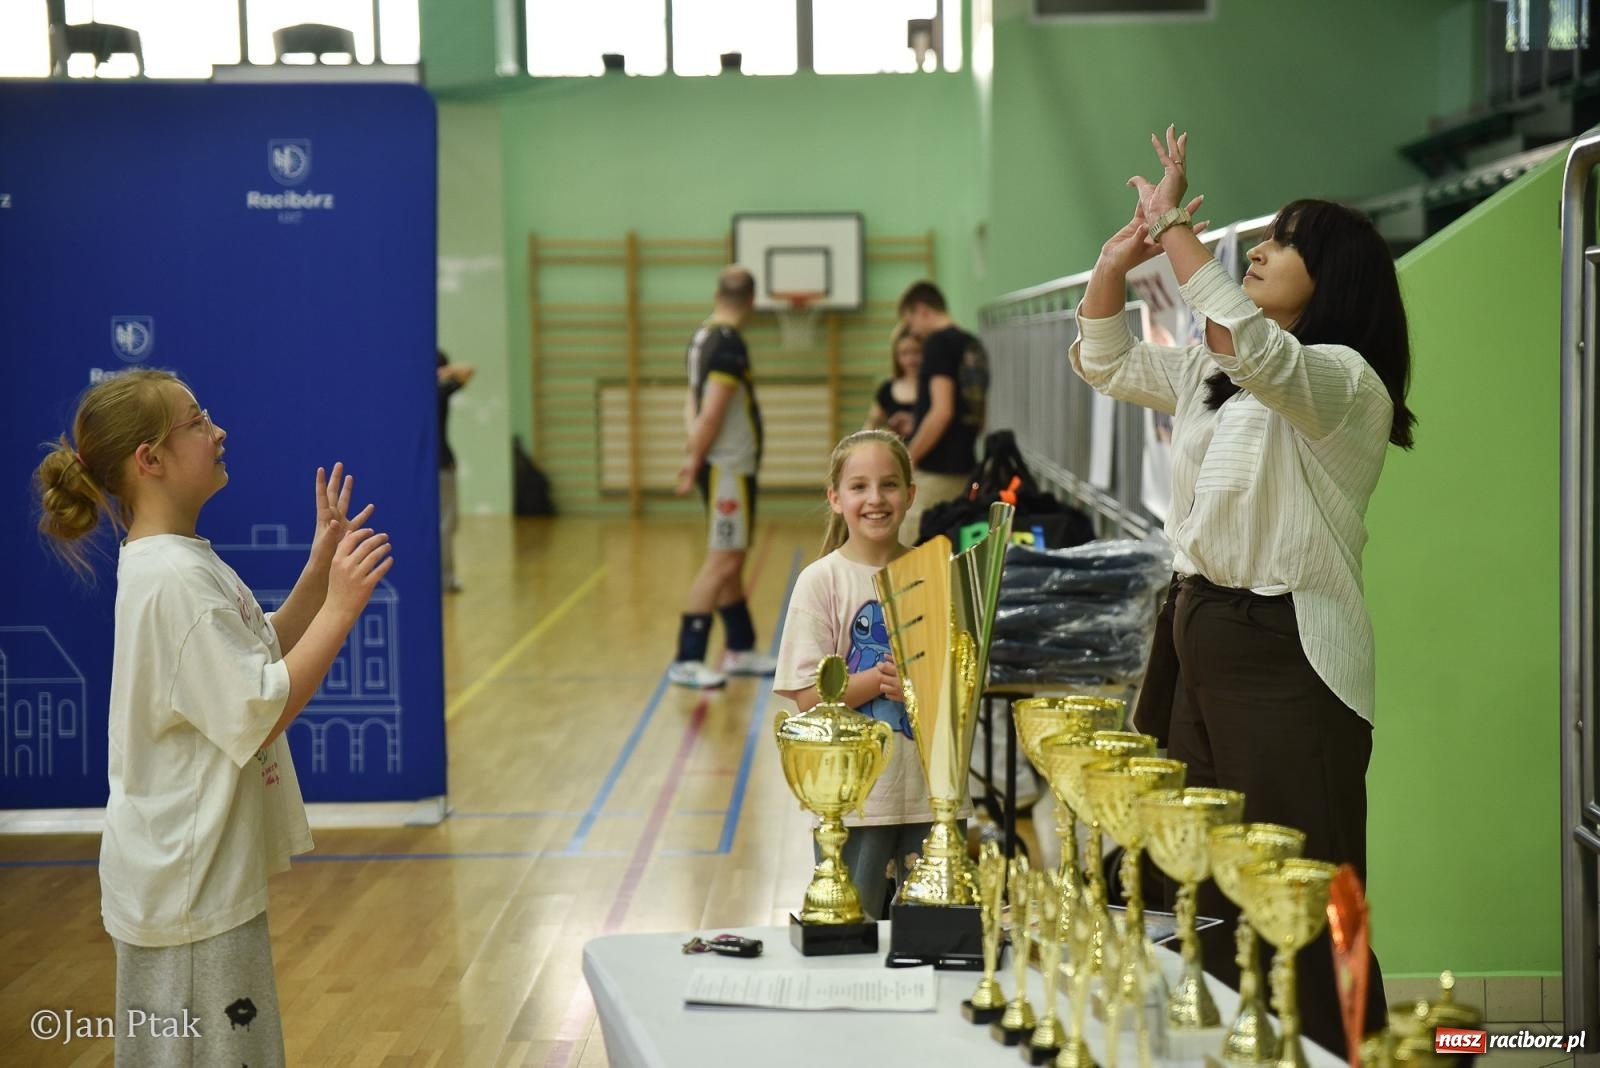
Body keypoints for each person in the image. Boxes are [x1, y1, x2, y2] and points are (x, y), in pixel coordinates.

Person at [1070, 126, 1414, 1058]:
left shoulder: (1346, 382)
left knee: (1305, 883)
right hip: (1198, 636)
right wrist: (1119, 259)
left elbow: (1261, 351)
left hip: (1286, 651)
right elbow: (1105, 358)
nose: (1258, 249)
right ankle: (1234, 1046)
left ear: (1332, 281)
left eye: (1284, 242)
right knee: (1207, 878)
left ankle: (1346, 1049)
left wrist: (1177, 230)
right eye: (1262, 239)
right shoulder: (1215, 369)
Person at [32, 368, 393, 1066]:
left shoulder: (179, 563)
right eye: (197, 421)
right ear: (151, 459)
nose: (218, 431)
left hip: (189, 884)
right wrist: (342, 609)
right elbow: (261, 707)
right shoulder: (174, 580)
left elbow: (255, 655)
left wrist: (319, 572)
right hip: (187, 895)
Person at [773, 429, 961, 919]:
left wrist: (928, 687)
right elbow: (808, 699)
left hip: (933, 797)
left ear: (911, 495)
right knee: (855, 934)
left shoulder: (938, 572)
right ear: (836, 499)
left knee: (934, 939)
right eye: (859, 486)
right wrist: (879, 681)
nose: (875, 499)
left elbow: (964, 682)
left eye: (889, 485)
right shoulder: (821, 581)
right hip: (857, 804)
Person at [669, 266, 777, 688]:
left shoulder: (701, 337)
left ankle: (740, 648)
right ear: (752, 301)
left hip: (722, 464)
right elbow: (712, 413)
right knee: (724, 560)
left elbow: (691, 403)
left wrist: (693, 452)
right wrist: (695, 458)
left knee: (732, 560)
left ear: (718, 295)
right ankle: (687, 657)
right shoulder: (729, 344)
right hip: (728, 466)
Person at [898, 280, 990, 547]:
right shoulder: (973, 345)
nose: (913, 331)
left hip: (936, 472)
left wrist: (909, 458)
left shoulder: (938, 343)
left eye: (910, 322)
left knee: (910, 551)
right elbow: (976, 415)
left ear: (921, 309)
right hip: (965, 468)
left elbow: (942, 412)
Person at [437, 349, 475, 593]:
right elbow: (468, 370)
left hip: (431, 466)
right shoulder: (438, 391)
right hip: (442, 466)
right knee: (446, 523)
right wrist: (444, 372)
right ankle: (446, 578)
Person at [863, 324, 921, 440]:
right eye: (904, 353)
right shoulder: (887, 389)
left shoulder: (935, 387)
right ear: (896, 356)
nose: (910, 359)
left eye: (916, 352)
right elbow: (871, 425)